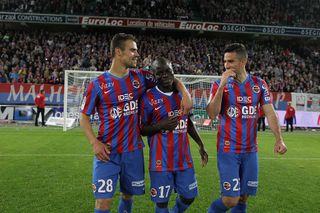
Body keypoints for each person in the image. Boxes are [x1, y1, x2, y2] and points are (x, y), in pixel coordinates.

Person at [80, 33, 192, 213]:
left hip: (133, 152)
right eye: (132, 50)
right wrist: (94, 142)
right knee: (103, 203)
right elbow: (83, 116)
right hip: (108, 152)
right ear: (118, 52)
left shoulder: (140, 77)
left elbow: (168, 77)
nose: (137, 54)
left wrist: (184, 93)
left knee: (128, 195)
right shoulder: (98, 84)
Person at [206, 43, 287, 213]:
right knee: (230, 199)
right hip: (228, 150)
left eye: (231, 61)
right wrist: (221, 86)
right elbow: (212, 114)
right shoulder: (218, 84)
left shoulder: (259, 84)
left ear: (243, 61)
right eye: (225, 62)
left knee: (243, 198)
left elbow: (270, 114)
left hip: (250, 151)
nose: (226, 66)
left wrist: (279, 139)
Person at [140, 57, 208, 213]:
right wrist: (160, 126)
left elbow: (188, 122)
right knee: (162, 203)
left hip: (184, 160)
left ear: (173, 71)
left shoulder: (182, 95)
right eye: (160, 73)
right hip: (160, 161)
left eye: (168, 71)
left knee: (189, 196)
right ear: (153, 75)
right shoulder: (148, 98)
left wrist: (201, 144)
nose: (165, 75)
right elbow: (141, 129)